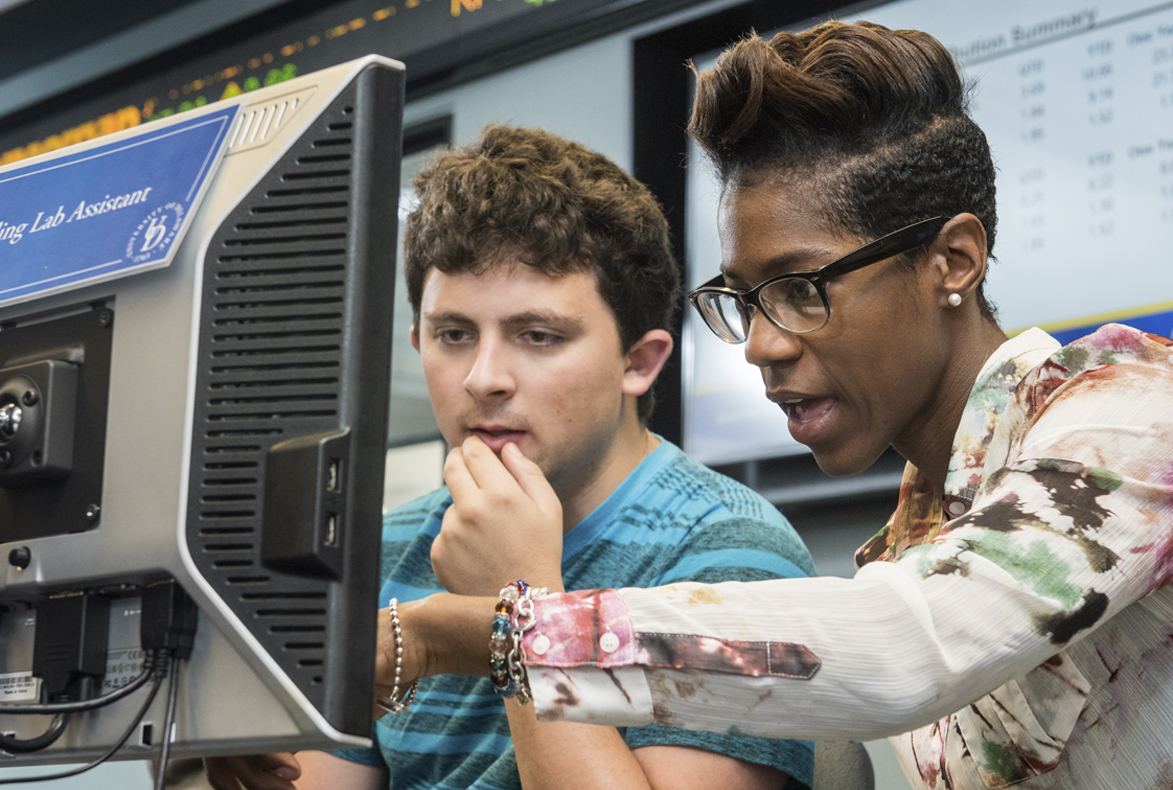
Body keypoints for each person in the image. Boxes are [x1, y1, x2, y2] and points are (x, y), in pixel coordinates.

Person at [398, 21, 1173, 790]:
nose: (760, 344)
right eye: (742, 301)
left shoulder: (1144, 415)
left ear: (950, 260)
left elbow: (911, 645)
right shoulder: (908, 545)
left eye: (800, 287)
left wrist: (498, 627)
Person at [205, 125, 817, 790]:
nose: (482, 378)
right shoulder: (383, 550)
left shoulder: (734, 556)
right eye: (454, 335)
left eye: (537, 335)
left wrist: (524, 605)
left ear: (638, 363)